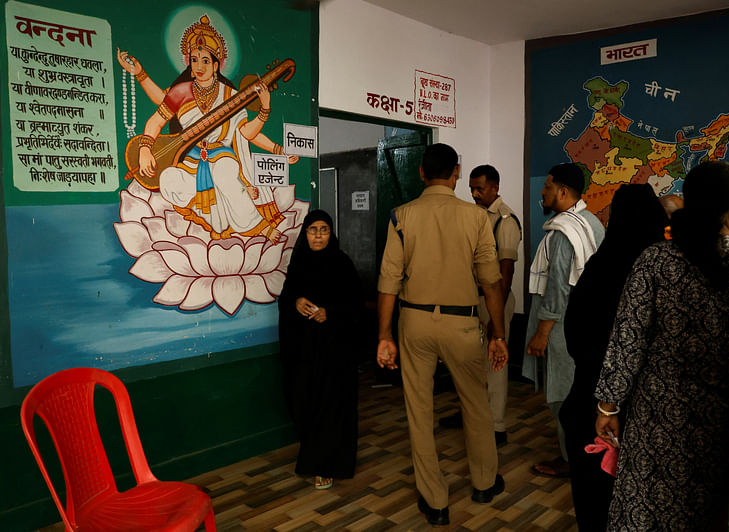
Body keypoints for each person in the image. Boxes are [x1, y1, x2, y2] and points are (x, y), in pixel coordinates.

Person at [595, 161, 729, 531]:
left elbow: (628, 339)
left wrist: (608, 405)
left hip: (656, 422)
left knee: (647, 512)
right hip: (723, 421)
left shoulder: (656, 260)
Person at [376, 143, 508, 526]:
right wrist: (498, 334)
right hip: (462, 323)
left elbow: (389, 281)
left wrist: (385, 334)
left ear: (421, 173)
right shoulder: (476, 217)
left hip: (414, 321)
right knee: (476, 404)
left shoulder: (401, 216)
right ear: (455, 174)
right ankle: (484, 483)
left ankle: (435, 502)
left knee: (419, 411)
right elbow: (491, 283)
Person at [118, 16, 294, 242]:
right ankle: (211, 214)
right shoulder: (181, 92)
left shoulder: (230, 95)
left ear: (216, 64)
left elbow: (246, 134)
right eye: (194, 60)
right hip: (191, 160)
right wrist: (144, 149)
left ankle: (260, 228)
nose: (199, 66)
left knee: (224, 175)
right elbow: (155, 121)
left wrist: (266, 111)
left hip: (220, 156)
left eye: (205, 61)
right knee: (169, 179)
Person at [560, 184, 667, 531]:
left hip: (593, 402)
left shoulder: (600, 266)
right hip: (650, 410)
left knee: (594, 500)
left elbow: (575, 332)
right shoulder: (665, 268)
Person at [523, 163, 605, 478]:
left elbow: (557, 287)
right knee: (582, 392)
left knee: (562, 396)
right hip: (588, 323)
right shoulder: (592, 223)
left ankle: (571, 459)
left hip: (563, 328)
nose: (541, 194)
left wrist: (542, 333)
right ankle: (585, 451)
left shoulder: (563, 232)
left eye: (546, 187)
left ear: (562, 191)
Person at [278, 210, 362, 490]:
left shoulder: (342, 264)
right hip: (304, 352)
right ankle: (314, 458)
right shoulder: (298, 263)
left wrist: (331, 313)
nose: (317, 235)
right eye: (312, 230)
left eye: (324, 229)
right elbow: (286, 297)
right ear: (305, 233)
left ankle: (327, 466)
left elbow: (356, 307)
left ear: (331, 233)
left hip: (335, 353)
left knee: (331, 407)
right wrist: (296, 301)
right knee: (306, 403)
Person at [440, 164, 521, 446]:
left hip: (493, 299)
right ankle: (470, 415)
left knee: (494, 362)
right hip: (470, 298)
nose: (474, 193)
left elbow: (506, 271)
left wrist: (495, 313)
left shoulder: (505, 220)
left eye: (480, 189)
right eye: (471, 187)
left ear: (495, 188)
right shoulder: (473, 215)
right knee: (469, 361)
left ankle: (497, 425)